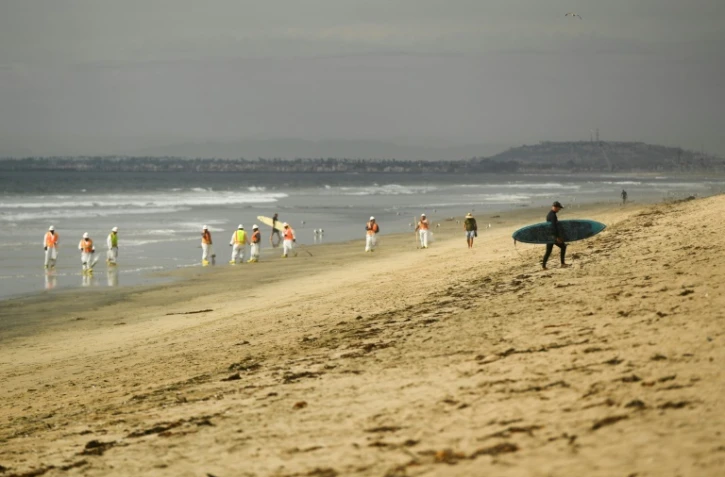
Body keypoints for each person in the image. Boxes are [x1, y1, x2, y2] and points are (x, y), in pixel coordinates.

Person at [542, 201, 569, 270]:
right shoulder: (553, 215)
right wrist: (557, 237)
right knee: (563, 247)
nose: (559, 210)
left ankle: (544, 266)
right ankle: (562, 263)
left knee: (548, 251)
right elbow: (553, 227)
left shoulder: (549, 214)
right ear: (555, 207)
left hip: (549, 236)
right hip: (553, 236)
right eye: (559, 208)